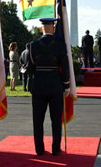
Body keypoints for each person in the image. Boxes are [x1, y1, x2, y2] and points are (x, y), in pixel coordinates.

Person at [26, 18, 70, 156]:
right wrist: (66, 83)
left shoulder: (33, 45)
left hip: (38, 84)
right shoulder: (60, 45)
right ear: (54, 28)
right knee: (56, 120)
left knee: (37, 120)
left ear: (41, 29)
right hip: (55, 85)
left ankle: (39, 149)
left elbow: (30, 67)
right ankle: (56, 149)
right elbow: (64, 65)